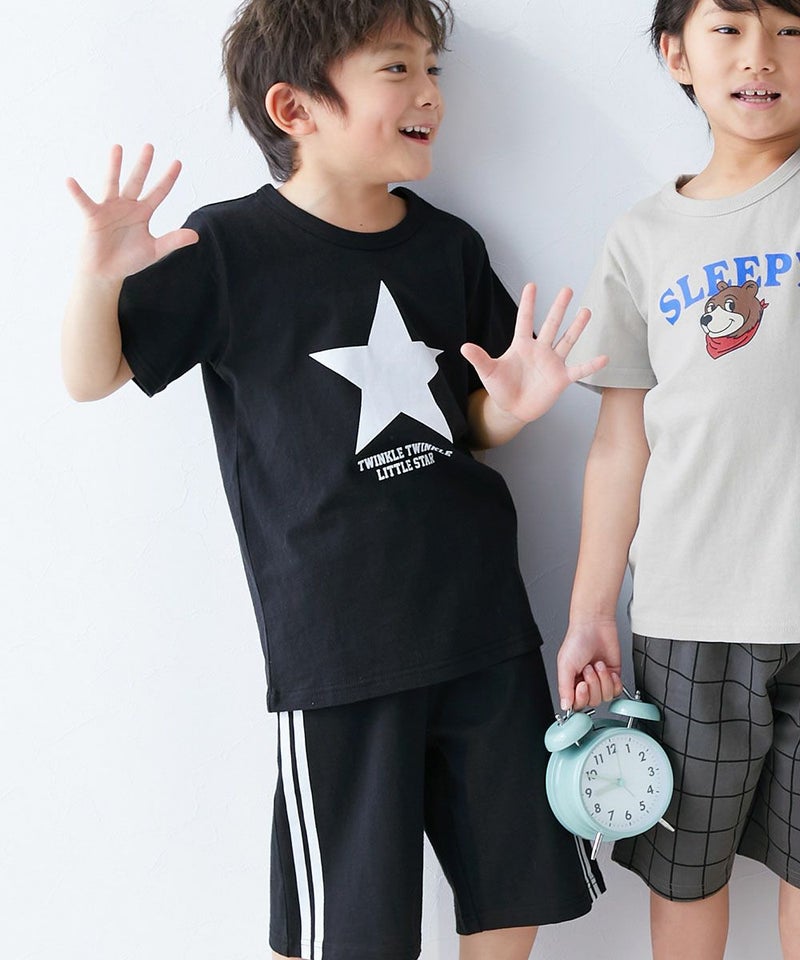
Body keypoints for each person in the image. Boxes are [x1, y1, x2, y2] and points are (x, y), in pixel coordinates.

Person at [62, 2, 608, 958]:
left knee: (513, 881)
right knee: (350, 927)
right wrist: (98, 277)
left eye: (433, 70)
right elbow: (92, 376)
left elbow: (467, 427)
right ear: (295, 107)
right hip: (338, 651)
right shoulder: (226, 250)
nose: (431, 93)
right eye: (398, 69)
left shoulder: (448, 246)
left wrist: (512, 410)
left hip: (483, 624)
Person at [556, 1, 800, 958]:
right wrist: (590, 611)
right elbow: (622, 442)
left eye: (793, 30)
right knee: (685, 870)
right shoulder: (643, 236)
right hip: (690, 613)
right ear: (677, 53)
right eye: (730, 29)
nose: (762, 56)